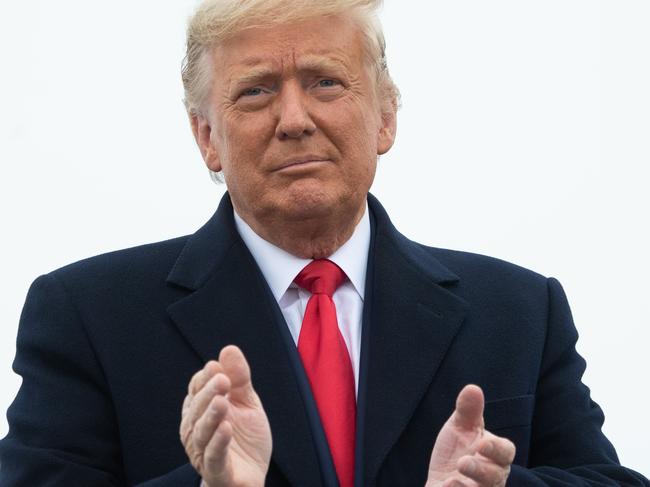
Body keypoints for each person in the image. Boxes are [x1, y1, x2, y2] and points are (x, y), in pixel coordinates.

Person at [1, 0, 648, 486]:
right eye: (255, 91)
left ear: (386, 117)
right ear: (206, 137)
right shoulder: (87, 317)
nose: (293, 119)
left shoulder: (520, 311)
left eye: (325, 82)